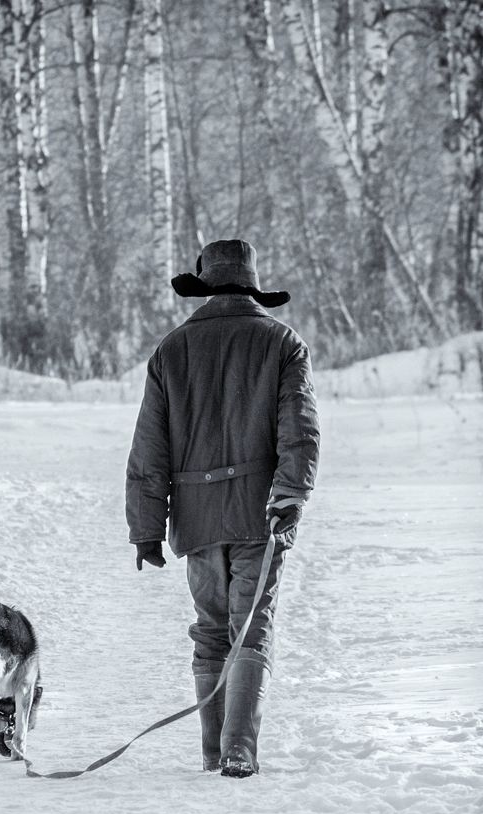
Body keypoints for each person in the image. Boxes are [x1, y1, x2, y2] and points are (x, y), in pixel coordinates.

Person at [125, 239, 320, 778]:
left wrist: (146, 528)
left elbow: (148, 449)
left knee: (211, 629)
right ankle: (238, 750)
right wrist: (290, 496)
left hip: (198, 518)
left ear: (206, 286)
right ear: (251, 286)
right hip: (261, 513)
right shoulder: (282, 342)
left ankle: (214, 752)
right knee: (250, 627)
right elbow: (299, 433)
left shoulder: (171, 349)